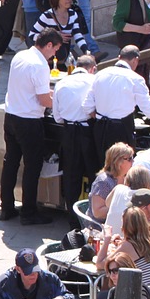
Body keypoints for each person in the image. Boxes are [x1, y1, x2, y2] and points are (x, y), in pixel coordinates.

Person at [0, 29, 60, 225]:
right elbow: (43, 99)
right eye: (55, 50)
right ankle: (28, 211)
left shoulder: (21, 55)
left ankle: (6, 207)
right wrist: (61, 102)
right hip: (29, 121)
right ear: (49, 45)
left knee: (11, 163)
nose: (55, 55)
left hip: (11, 116)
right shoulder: (40, 64)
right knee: (32, 167)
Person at [87, 45, 150, 148]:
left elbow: (87, 105)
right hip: (121, 129)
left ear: (119, 57)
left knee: (102, 162)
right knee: (123, 163)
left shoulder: (100, 74)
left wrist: (100, 117)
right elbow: (149, 109)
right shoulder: (135, 79)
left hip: (100, 127)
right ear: (136, 60)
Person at [52, 53, 99, 208]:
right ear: (93, 68)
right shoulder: (94, 81)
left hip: (69, 132)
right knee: (94, 174)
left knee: (71, 176)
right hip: (89, 132)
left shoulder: (62, 83)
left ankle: (72, 219)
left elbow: (57, 117)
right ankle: (93, 214)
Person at [97, 205, 150, 286]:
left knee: (106, 291)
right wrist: (121, 242)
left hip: (145, 296)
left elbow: (100, 264)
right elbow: (138, 245)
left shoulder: (128, 246)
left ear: (125, 226)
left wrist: (107, 238)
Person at [28, 0, 93, 62]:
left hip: (64, 59)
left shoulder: (73, 14)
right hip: (48, 60)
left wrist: (86, 51)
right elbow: (32, 35)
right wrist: (55, 37)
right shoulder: (47, 16)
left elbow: (78, 35)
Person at [87, 141, 133, 223]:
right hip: (100, 226)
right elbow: (97, 213)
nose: (133, 161)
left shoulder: (128, 178)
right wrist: (122, 207)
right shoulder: (103, 182)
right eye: (129, 159)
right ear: (118, 162)